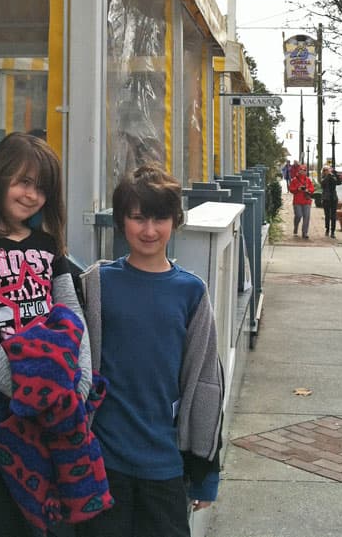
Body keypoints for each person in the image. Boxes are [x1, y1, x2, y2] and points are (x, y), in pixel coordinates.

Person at [0, 132, 97, 537]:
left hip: (53, 406)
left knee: (42, 519)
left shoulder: (48, 246)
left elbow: (71, 315)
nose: (31, 195)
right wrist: (26, 390)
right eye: (23, 182)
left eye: (41, 188)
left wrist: (80, 383)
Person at [75, 165, 224, 537]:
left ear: (176, 221)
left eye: (159, 218)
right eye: (138, 218)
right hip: (103, 462)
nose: (149, 230)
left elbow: (205, 381)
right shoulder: (96, 284)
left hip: (165, 464)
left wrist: (205, 470)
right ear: (121, 221)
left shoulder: (191, 292)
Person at [289, 163, 314, 239]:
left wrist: (308, 190)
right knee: (298, 215)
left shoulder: (308, 180)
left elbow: (312, 189)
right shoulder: (294, 180)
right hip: (297, 202)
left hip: (307, 201)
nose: (303, 171)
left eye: (304, 170)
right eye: (301, 170)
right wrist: (298, 189)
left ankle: (304, 232)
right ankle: (296, 227)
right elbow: (291, 189)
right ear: (299, 171)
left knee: (306, 217)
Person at [321, 164, 340, 238]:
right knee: (327, 215)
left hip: (334, 198)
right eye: (325, 170)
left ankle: (332, 231)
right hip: (326, 198)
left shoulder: (333, 176)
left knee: (333, 215)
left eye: (328, 169)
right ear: (323, 171)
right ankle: (327, 229)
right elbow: (323, 184)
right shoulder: (323, 177)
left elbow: (338, 182)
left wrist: (335, 173)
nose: (327, 171)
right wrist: (328, 176)